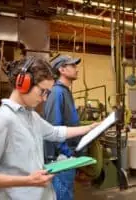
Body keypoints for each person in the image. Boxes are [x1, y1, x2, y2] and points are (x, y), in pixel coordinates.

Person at [0, 56, 98, 200]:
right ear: (23, 84)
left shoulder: (31, 116)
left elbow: (55, 132)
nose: (45, 99)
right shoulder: (3, 120)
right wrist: (28, 180)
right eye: (43, 91)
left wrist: (90, 128)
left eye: (48, 93)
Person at [43, 55, 82, 200]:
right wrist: (68, 153)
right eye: (73, 66)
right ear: (62, 69)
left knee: (67, 193)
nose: (76, 69)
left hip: (67, 156)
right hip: (61, 159)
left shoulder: (64, 91)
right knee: (63, 195)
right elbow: (54, 128)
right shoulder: (57, 92)